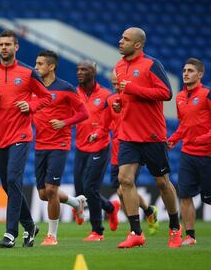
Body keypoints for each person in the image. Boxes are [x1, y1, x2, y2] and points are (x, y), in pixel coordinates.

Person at [0, 30, 52, 248]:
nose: (4, 48)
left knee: (12, 180)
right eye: (1, 44)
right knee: (10, 186)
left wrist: (31, 106)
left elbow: (46, 97)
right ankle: (30, 225)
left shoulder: (28, 73)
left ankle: (10, 233)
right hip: (0, 137)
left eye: (8, 44)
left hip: (21, 135)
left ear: (16, 47)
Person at [114, 27, 181, 248]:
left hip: (152, 134)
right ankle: (136, 232)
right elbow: (126, 97)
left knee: (162, 182)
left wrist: (134, 89)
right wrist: (119, 102)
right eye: (121, 38)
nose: (120, 41)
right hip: (128, 134)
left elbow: (166, 93)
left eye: (126, 39)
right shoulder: (120, 66)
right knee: (125, 180)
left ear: (138, 44)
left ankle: (174, 227)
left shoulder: (152, 65)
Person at [91, 70, 159, 235]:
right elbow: (104, 125)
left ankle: (135, 231)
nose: (116, 86)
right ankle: (148, 211)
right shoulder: (110, 100)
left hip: (134, 148)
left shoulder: (135, 99)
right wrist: (96, 134)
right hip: (116, 152)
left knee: (124, 189)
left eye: (118, 83)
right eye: (113, 83)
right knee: (121, 193)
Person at [167, 58, 211, 245]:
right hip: (187, 154)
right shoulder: (180, 98)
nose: (186, 73)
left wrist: (208, 136)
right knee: (184, 194)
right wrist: (173, 140)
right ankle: (190, 236)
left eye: (190, 70)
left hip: (209, 155)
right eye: (184, 70)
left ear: (200, 74)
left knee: (209, 197)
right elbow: (184, 125)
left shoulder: (208, 94)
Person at [33, 50, 89, 245]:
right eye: (36, 63)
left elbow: (83, 113)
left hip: (59, 144)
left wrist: (65, 122)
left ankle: (52, 236)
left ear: (51, 66)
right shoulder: (34, 88)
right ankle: (76, 202)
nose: (36, 67)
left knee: (51, 189)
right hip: (39, 144)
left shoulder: (66, 88)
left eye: (40, 64)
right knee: (42, 194)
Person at [74, 60, 120, 242]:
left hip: (100, 146)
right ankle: (110, 208)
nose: (79, 72)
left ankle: (97, 231)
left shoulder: (106, 95)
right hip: (80, 146)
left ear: (93, 72)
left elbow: (113, 121)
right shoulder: (74, 93)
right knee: (81, 190)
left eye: (84, 69)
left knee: (90, 187)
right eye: (78, 69)